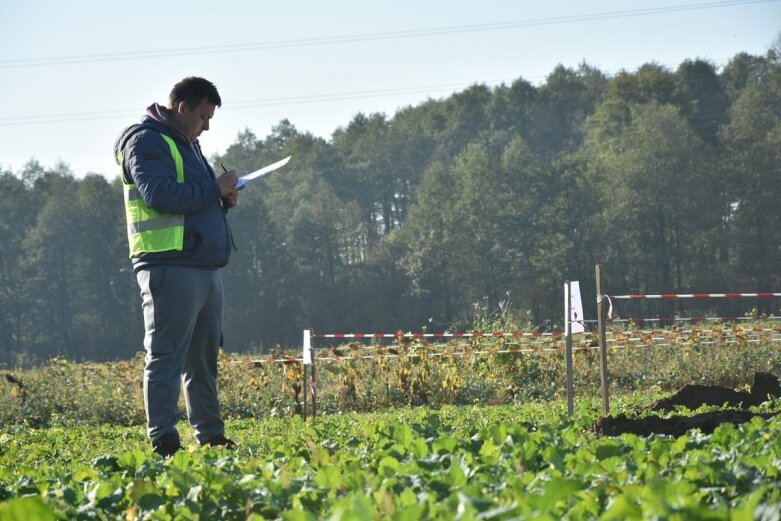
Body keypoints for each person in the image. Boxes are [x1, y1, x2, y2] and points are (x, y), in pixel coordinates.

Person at [114, 77, 239, 457]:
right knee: (166, 355)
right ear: (182, 108)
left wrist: (224, 201)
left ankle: (211, 436)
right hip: (168, 265)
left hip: (203, 265)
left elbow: (195, 199)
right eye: (203, 116)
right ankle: (164, 439)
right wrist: (214, 190)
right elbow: (161, 195)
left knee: (203, 360)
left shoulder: (187, 144)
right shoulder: (146, 140)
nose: (207, 125)